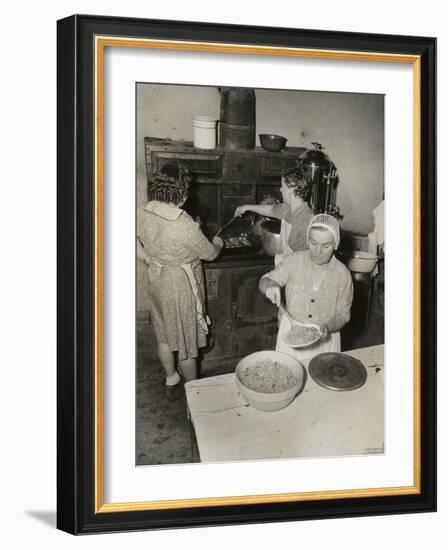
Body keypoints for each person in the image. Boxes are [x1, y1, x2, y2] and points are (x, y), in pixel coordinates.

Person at [137, 162, 223, 395]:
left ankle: (171, 377)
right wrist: (218, 242)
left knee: (164, 334)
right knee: (186, 343)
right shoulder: (185, 225)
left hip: (156, 277)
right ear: (184, 193)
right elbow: (211, 254)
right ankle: (193, 391)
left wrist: (145, 257)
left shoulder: (143, 210)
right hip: (179, 285)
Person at [259, 213, 353, 362]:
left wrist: (327, 328)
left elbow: (343, 314)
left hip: (325, 339)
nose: (318, 251)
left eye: (326, 246)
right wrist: (270, 286)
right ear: (307, 240)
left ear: (335, 245)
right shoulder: (294, 261)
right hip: (291, 333)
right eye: (313, 243)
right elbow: (266, 280)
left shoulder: (342, 274)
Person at [234, 165, 313, 265]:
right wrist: (246, 207)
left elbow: (304, 263)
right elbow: (271, 209)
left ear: (291, 188)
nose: (280, 190)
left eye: (282, 186)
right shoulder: (288, 208)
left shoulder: (306, 221)